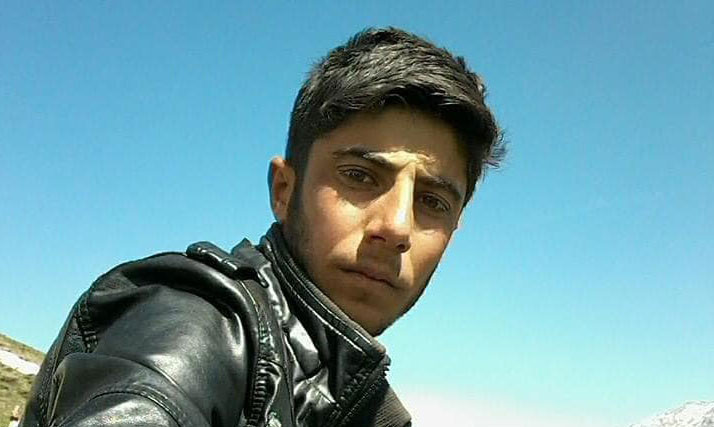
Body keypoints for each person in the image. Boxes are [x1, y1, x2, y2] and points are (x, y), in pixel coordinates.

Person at [21, 27, 504, 427]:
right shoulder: (197, 326)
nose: (397, 226)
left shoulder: (368, 407)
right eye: (359, 177)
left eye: (432, 202)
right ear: (284, 191)